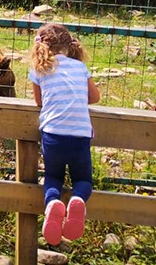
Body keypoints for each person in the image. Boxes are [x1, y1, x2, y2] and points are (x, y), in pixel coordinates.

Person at [28, 23, 100, 245]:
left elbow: (40, 102)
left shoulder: (39, 69)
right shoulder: (80, 68)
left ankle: (52, 204)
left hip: (52, 134)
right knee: (83, 179)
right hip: (79, 135)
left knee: (53, 177)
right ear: (70, 46)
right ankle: (77, 199)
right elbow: (95, 97)